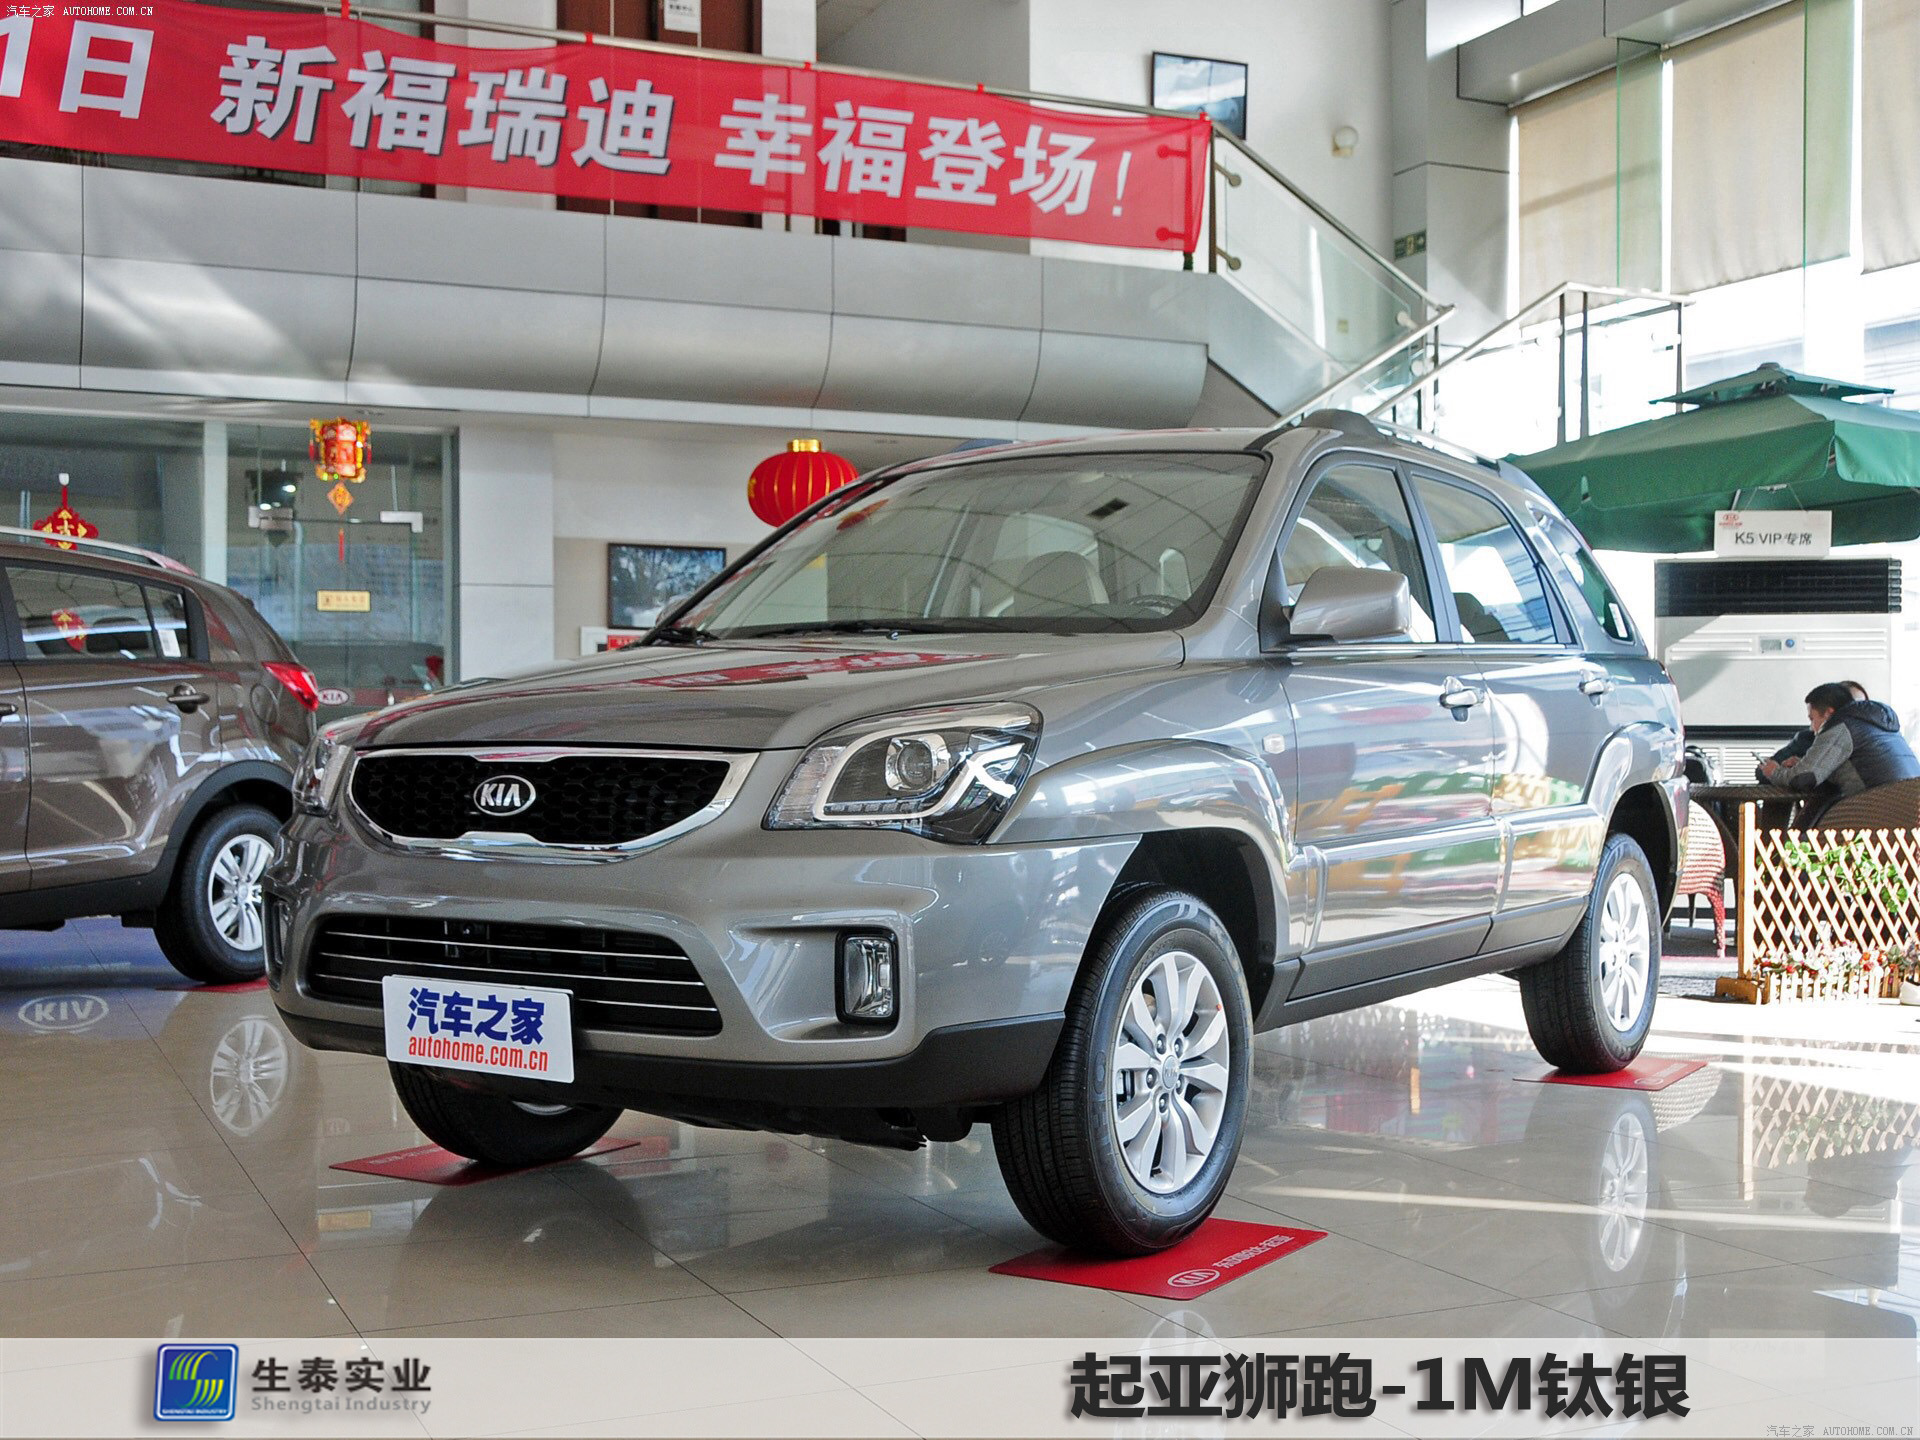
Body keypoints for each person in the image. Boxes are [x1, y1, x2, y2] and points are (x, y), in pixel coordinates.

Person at [1762, 681, 1920, 811]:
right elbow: (1858, 769)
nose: (1812, 727)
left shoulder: (1840, 728)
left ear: (1829, 713)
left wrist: (1774, 772)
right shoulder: (1876, 724)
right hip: (1911, 810)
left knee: (1813, 832)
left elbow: (1804, 779)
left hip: (1878, 811)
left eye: (1812, 719)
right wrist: (1801, 764)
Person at [1757, 679, 1870, 780]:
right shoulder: (1806, 738)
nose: (1853, 712)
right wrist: (1795, 767)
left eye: (1859, 706)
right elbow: (1763, 770)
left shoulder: (1863, 741)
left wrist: (1796, 771)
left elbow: (1810, 779)